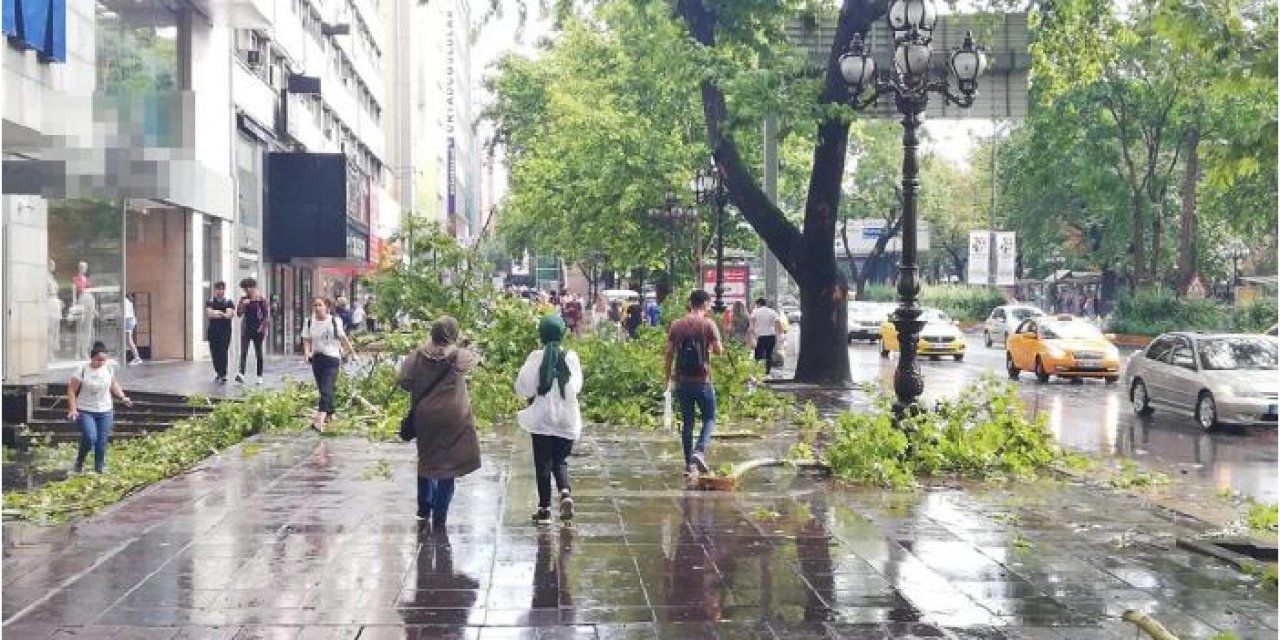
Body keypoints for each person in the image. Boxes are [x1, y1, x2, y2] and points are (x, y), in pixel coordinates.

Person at [397, 317, 481, 529]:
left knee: (426, 459)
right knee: (448, 466)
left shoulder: (416, 356)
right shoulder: (459, 356)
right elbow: (473, 359)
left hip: (425, 417)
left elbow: (404, 382)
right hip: (454, 417)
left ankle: (425, 507)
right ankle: (440, 515)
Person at [515, 315, 584, 525]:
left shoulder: (536, 358)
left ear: (541, 334)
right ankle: (565, 492)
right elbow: (577, 386)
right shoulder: (571, 358)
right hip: (567, 417)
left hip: (542, 417)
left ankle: (544, 509)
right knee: (560, 460)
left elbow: (523, 387)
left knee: (543, 462)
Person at [664, 290, 723, 476]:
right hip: (703, 381)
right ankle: (699, 451)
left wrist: (667, 379)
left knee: (688, 422)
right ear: (706, 304)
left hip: (682, 381)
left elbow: (669, 354)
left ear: (690, 303)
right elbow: (719, 350)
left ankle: (689, 464)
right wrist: (714, 349)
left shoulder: (677, 325)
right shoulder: (708, 324)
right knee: (709, 418)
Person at [66, 342, 132, 473]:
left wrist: (123, 397)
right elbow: (71, 390)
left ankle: (99, 467)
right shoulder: (82, 369)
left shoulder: (108, 368)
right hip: (85, 410)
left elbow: (114, 384)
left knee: (101, 441)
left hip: (105, 410)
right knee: (90, 437)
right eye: (99, 360)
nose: (101, 362)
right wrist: (73, 409)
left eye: (104, 360)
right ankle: (80, 461)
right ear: (92, 358)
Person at [302, 297, 357, 433]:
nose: (317, 308)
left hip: (332, 358)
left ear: (326, 307)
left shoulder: (333, 320)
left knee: (326, 388)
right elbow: (306, 339)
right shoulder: (309, 321)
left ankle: (319, 419)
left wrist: (352, 353)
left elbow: (343, 338)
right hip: (317, 359)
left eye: (320, 305)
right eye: (315, 305)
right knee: (323, 389)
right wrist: (307, 352)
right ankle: (331, 415)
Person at [235, 277, 269, 384]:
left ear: (252, 288)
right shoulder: (243, 299)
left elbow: (266, 315)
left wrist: (262, 327)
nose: (245, 291)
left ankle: (259, 376)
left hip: (258, 330)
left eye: (247, 288)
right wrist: (243, 305)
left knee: (258, 353)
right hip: (246, 329)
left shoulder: (261, 300)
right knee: (243, 352)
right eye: (244, 289)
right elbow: (239, 314)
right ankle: (241, 374)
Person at [205, 282, 235, 383]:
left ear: (224, 290)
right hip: (213, 332)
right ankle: (218, 372)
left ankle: (223, 374)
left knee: (223, 352)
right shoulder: (210, 302)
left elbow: (229, 315)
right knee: (214, 353)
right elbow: (210, 315)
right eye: (218, 289)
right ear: (215, 290)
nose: (220, 291)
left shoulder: (229, 302)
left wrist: (218, 312)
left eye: (222, 289)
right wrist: (222, 314)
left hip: (225, 332)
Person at [748, 298, 783, 376]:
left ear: (758, 304)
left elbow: (751, 326)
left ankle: (758, 371)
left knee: (758, 355)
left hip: (760, 336)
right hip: (771, 336)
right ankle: (767, 371)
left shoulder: (755, 312)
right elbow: (778, 325)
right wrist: (779, 335)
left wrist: (752, 336)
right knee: (768, 354)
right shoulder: (772, 312)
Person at [123, 293, 141, 365]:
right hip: (130, 320)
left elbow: (124, 313)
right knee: (128, 340)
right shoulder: (129, 302)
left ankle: (137, 358)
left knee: (128, 340)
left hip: (127, 320)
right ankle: (136, 357)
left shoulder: (124, 301)